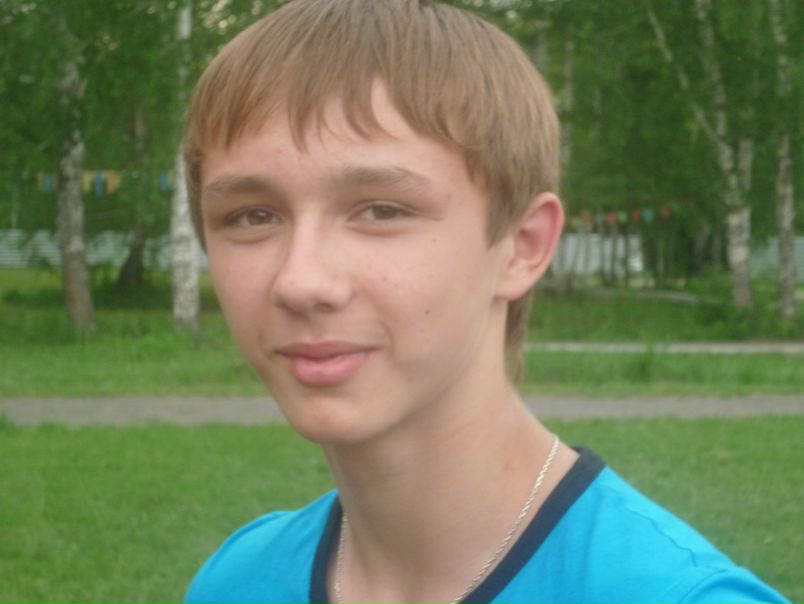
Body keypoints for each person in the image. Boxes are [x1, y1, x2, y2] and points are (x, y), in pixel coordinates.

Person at [181, 1, 788, 602]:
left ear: (522, 246)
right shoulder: (236, 583)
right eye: (252, 216)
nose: (300, 281)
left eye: (382, 210)